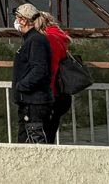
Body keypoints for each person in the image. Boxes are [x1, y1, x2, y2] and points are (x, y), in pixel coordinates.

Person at [11, 2, 53, 144]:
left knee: (35, 143)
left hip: (34, 103)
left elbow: (39, 69)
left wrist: (22, 86)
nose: (16, 22)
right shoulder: (32, 39)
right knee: (27, 143)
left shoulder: (36, 40)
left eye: (17, 18)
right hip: (30, 102)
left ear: (23, 20)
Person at [38, 10, 72, 143]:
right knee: (50, 132)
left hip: (50, 93)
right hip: (60, 93)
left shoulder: (49, 39)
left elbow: (49, 68)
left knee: (43, 135)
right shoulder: (59, 37)